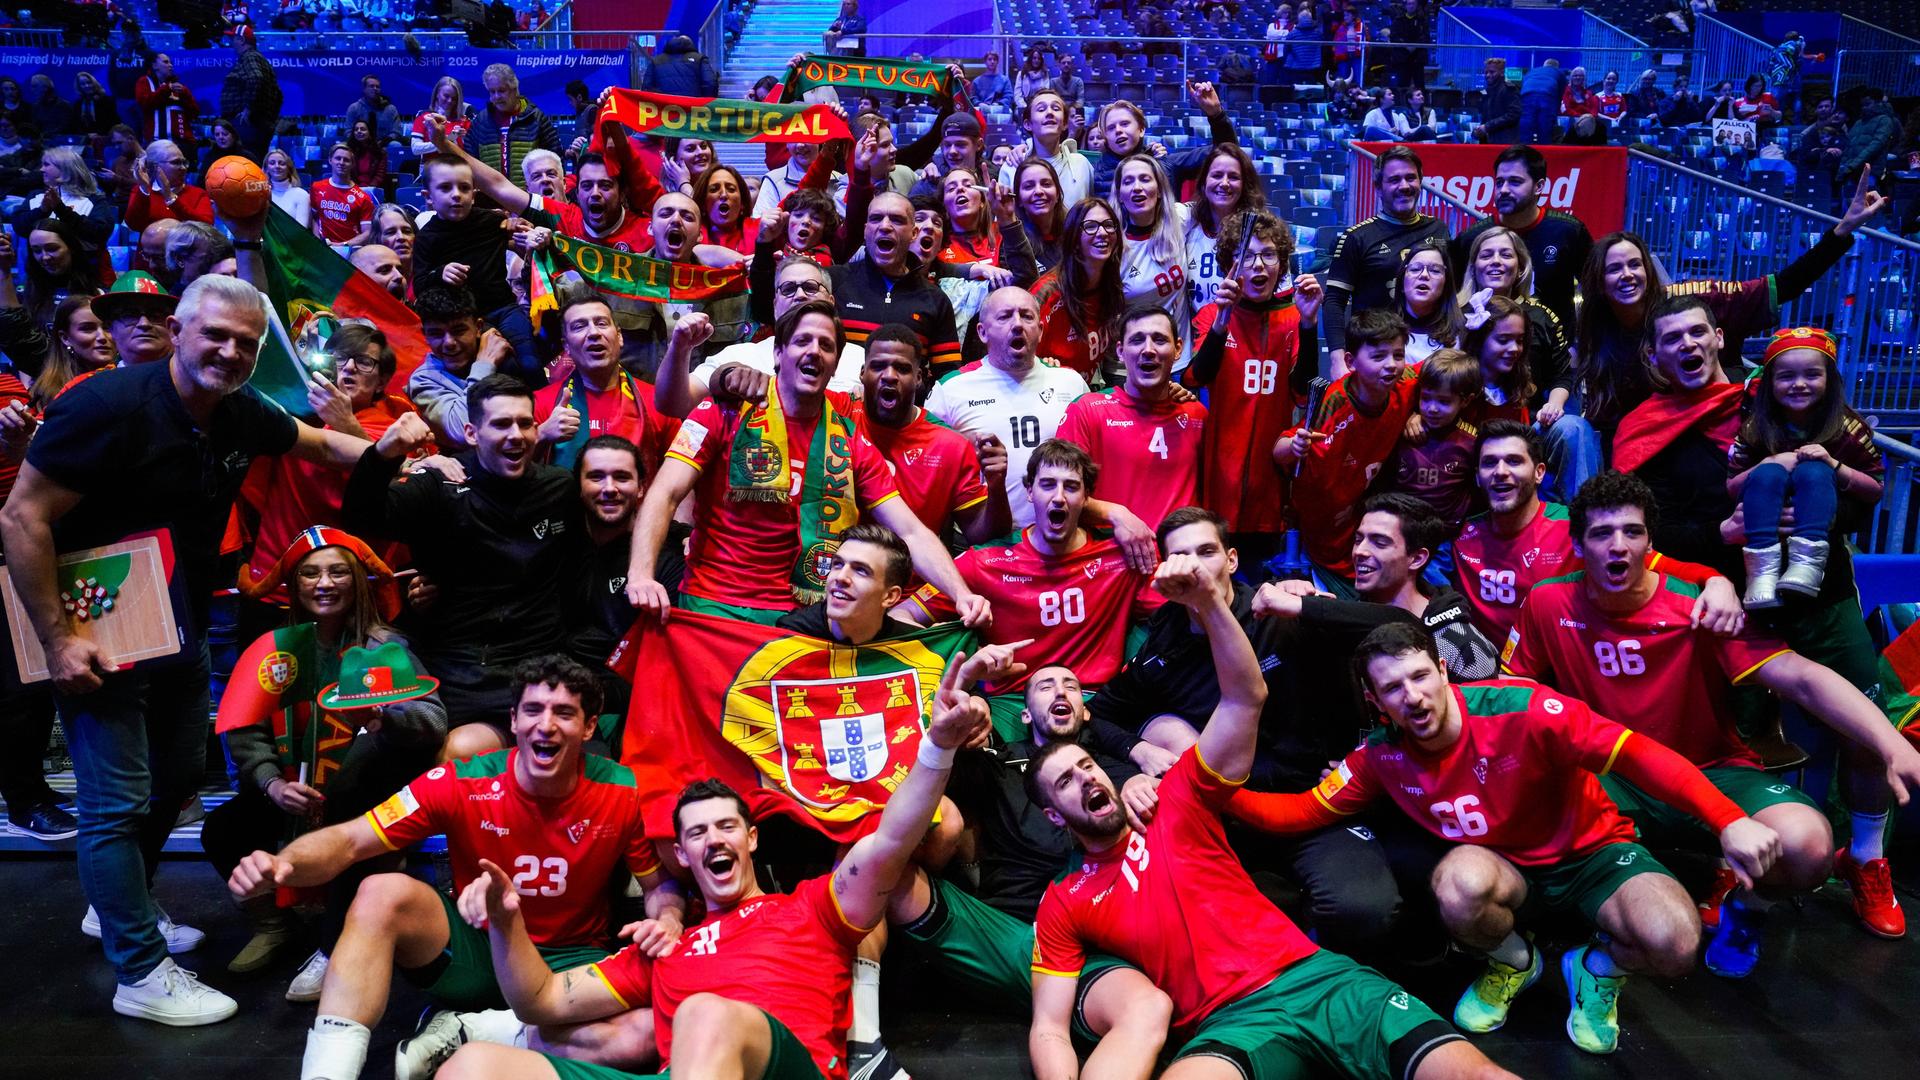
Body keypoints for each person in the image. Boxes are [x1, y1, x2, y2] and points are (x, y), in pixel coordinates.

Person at [0, 275, 414, 1024]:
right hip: (100, 631)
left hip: (178, 622)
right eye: (215, 336)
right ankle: (140, 970)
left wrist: (391, 453)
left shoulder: (235, 410)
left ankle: (116, 901)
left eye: (245, 344)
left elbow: (318, 441)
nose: (229, 351)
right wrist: (59, 639)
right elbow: (21, 517)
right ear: (179, 330)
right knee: (115, 802)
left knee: (184, 771)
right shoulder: (104, 406)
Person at [1025, 555, 1512, 1080]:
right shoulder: (1065, 898)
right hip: (1228, 1023)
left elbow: (1245, 696)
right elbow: (1048, 1027)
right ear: (1055, 814)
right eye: (1067, 781)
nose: (1087, 779)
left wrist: (1211, 601)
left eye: (1087, 766)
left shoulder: (1178, 798)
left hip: (1318, 981)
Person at [428, 648, 991, 1080]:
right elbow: (542, 1000)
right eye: (696, 832)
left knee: (706, 1013)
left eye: (725, 826)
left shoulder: (811, 908)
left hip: (783, 1067)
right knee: (473, 1066)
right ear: (683, 855)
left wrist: (936, 746)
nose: (712, 839)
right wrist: (508, 923)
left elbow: (891, 839)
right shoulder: (664, 947)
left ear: (750, 839)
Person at [1233, 621, 1782, 1055]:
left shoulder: (1524, 709)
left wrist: (1728, 818)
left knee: (1676, 944)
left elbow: (1639, 754)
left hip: (1594, 854)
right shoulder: (1380, 756)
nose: (1413, 698)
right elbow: (1301, 813)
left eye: (1421, 677)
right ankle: (1514, 961)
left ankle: (1595, 971)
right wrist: (1208, 788)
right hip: (1505, 873)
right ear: (1376, 701)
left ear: (1445, 670)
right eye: (1393, 689)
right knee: (1456, 882)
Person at [1503, 471, 1920, 976]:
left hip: (1710, 769)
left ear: (1650, 542)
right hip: (1612, 774)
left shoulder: (1701, 607)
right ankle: (1590, 942)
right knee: (1527, 819)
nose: (1618, 547)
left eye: (1632, 532)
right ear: (1576, 543)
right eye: (1601, 534)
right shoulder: (1548, 602)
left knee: (1807, 844)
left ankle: (1746, 913)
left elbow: (1803, 679)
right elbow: (1513, 697)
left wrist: (1891, 745)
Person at [226, 655, 688, 1080]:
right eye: (532, 711)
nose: (545, 726)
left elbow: (658, 885)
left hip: (570, 967)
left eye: (563, 714)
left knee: (645, 1036)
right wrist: (284, 863)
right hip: (478, 953)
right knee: (380, 890)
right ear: (514, 720)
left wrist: (667, 917)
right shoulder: (460, 779)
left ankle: (478, 1032)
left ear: (588, 728)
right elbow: (349, 840)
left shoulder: (624, 790)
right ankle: (327, 1074)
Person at [626, 300, 987, 627]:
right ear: (779, 354)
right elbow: (666, 492)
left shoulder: (851, 442)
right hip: (714, 608)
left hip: (804, 621)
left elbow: (910, 531)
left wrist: (962, 594)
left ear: (835, 365)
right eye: (802, 341)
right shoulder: (724, 410)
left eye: (826, 346)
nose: (814, 351)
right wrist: (642, 574)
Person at [208, 530, 446, 978]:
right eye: (311, 574)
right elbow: (244, 727)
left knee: (350, 815)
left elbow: (433, 721)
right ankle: (276, 924)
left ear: (356, 581)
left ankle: (333, 947)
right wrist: (272, 783)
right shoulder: (275, 649)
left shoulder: (384, 648)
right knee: (223, 829)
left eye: (338, 572)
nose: (325, 583)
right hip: (292, 790)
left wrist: (384, 716)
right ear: (294, 585)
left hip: (357, 795)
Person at [344, 374, 582, 749]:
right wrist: (384, 452)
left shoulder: (559, 487)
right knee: (440, 758)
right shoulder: (440, 484)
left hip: (540, 665)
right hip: (461, 669)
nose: (516, 435)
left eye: (525, 423)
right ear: (472, 433)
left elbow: (585, 562)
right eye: (501, 424)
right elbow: (362, 518)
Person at [1576, 172, 1885, 438]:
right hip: (1655, 447)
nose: (1627, 275)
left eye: (1635, 264)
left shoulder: (1697, 301)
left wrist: (1842, 232)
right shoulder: (1597, 329)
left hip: (1728, 429)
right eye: (1614, 269)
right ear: (1598, 281)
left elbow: (1786, 283)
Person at [905, 439, 1152, 740]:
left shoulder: (1122, 556)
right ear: (1029, 491)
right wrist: (963, 652)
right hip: (1011, 703)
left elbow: (1175, 618)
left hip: (1098, 701)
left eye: (1071, 487)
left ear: (1087, 498)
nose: (1058, 497)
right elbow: (903, 617)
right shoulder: (984, 562)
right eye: (1047, 485)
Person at [1187, 210, 1322, 572]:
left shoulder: (1293, 317)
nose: (1258, 266)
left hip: (1268, 482)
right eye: (1247, 256)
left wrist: (1309, 325)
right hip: (1217, 476)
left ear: (1281, 263)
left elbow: (1303, 390)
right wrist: (1221, 319)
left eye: (1269, 255)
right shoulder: (1211, 316)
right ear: (1231, 265)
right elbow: (1196, 376)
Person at [1728, 327, 1883, 607]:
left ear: (1830, 380)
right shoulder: (1754, 428)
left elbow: (1875, 489)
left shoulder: (1849, 428)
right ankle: (1761, 572)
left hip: (1828, 561)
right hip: (1760, 542)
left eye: (1812, 374)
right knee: (1769, 473)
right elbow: (1731, 487)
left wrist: (1834, 465)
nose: (1799, 384)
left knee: (1814, 470)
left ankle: (1807, 565)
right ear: (1770, 382)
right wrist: (1769, 462)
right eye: (1786, 376)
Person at [926, 286, 1095, 526]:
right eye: (1005, 316)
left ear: (1040, 330)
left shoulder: (1071, 382)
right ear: (982, 332)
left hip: (1061, 533)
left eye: (1027, 316)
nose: (1017, 324)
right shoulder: (951, 389)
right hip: (981, 536)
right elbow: (928, 468)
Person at [1278, 309, 1421, 587]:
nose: (1391, 365)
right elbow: (1280, 448)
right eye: (1378, 356)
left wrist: (1422, 412)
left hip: (1363, 511)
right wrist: (1294, 446)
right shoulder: (1334, 404)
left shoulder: (1406, 383)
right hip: (1321, 519)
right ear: (1351, 361)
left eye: (1398, 355)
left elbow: (1443, 369)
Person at [1057, 303, 1208, 533]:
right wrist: (1116, 515)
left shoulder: (1196, 414)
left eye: (1159, 340)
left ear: (1178, 349)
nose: (1148, 349)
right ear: (1120, 351)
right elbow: (1060, 493)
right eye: (1137, 340)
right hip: (1111, 556)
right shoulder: (1087, 410)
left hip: (1181, 559)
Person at [855, 324, 1011, 542]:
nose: (889, 376)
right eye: (878, 366)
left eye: (902, 368)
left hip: (915, 574)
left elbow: (981, 533)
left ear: (919, 377)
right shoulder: (839, 415)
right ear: (862, 373)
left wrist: (997, 486)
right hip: (839, 571)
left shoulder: (950, 445)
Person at [411, 153, 541, 382]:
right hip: (471, 321)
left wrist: (521, 227)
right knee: (506, 367)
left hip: (506, 308)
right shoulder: (426, 238)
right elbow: (420, 286)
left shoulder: (491, 222)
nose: (456, 195)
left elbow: (519, 228)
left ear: (474, 194)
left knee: (531, 364)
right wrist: (440, 274)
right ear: (428, 197)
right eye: (445, 188)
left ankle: (543, 413)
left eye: (464, 188)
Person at [1323, 146, 1448, 376]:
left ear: (1421, 182)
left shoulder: (1439, 230)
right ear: (1378, 188)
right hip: (1375, 356)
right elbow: (1334, 302)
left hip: (1427, 356)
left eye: (1411, 178)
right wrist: (1337, 360)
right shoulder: (1356, 238)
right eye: (1394, 180)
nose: (1404, 186)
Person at [530, 291, 680, 471]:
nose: (593, 332)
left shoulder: (659, 403)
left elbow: (681, 482)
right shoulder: (540, 404)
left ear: (620, 336)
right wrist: (542, 435)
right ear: (567, 346)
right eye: (579, 326)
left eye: (601, 323)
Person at [1382, 349, 1483, 527]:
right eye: (1426, 398)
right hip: (1401, 528)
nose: (1432, 408)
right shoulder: (1403, 431)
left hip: (1446, 533)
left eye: (1444, 401)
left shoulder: (1472, 442)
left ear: (1466, 401)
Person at [1028, 198, 1124, 381]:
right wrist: (1040, 366)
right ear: (1074, 239)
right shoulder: (1047, 291)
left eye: (1108, 225)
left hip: (1084, 393)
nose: (1102, 232)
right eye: (1090, 226)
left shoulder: (1111, 285)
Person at [408, 287, 511, 450]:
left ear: (478, 327)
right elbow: (461, 431)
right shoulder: (423, 380)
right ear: (425, 335)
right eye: (436, 334)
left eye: (458, 331)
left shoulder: (504, 350)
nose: (449, 342)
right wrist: (484, 365)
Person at [1182, 143, 1266, 313]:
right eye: (1217, 175)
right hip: (1199, 336)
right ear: (1204, 182)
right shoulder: (1188, 228)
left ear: (1244, 185)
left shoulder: (1261, 234)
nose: (1225, 183)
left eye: (1233, 177)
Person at [468, 64, 563, 188]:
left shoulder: (536, 118)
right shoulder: (480, 121)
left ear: (514, 89)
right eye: (492, 91)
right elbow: (469, 162)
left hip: (529, 199)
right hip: (490, 200)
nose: (496, 97)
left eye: (501, 90)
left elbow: (556, 159)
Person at [997, 89, 1093, 209]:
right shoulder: (1012, 166)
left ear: (1064, 124)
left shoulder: (1082, 164)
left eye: (1056, 108)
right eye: (1041, 109)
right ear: (1028, 124)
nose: (1049, 113)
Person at [1394, 239, 1462, 362]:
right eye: (1415, 269)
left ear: (1446, 284)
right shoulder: (1381, 330)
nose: (1424, 275)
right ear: (1402, 282)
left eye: (1435, 270)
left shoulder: (1463, 332)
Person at [126, 138, 215, 231]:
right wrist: (144, 188)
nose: (183, 168)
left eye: (184, 162)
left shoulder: (198, 194)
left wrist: (170, 198)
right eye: (176, 162)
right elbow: (134, 225)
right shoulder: (141, 191)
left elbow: (207, 227)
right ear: (155, 166)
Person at [221, 25, 282, 158]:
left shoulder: (249, 57)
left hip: (248, 124)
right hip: (257, 124)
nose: (231, 43)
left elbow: (256, 78)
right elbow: (278, 94)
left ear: (241, 40)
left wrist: (248, 109)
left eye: (233, 38)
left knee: (246, 160)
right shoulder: (260, 60)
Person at [313, 144, 377, 248]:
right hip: (323, 248)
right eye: (338, 158)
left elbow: (367, 233)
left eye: (346, 160)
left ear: (352, 164)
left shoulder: (363, 197)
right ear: (330, 160)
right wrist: (317, 241)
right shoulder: (317, 187)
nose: (341, 163)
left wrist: (342, 245)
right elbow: (314, 218)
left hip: (349, 249)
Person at [135, 52, 198, 149]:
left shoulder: (179, 87)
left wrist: (186, 94)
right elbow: (145, 103)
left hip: (182, 143)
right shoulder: (144, 82)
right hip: (155, 143)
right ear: (154, 65)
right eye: (166, 62)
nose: (171, 65)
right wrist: (167, 89)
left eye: (170, 62)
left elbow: (194, 113)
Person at [412, 77, 474, 157]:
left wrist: (463, 139)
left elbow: (470, 152)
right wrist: (445, 141)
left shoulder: (464, 120)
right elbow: (415, 149)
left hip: (457, 166)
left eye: (454, 98)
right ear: (437, 94)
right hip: (430, 167)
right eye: (446, 96)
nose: (449, 101)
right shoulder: (424, 117)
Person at [1472, 58, 1520, 144]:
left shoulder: (1509, 89)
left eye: (1492, 72)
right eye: (1486, 72)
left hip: (1505, 142)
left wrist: (1487, 127)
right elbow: (1486, 118)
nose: (1488, 75)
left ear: (1502, 73)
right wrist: (1479, 131)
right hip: (1488, 141)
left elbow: (1514, 115)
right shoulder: (1485, 92)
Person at [346, 74, 402, 146]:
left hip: (384, 143)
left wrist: (383, 142)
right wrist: (360, 141)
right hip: (360, 143)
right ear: (364, 89)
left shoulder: (390, 109)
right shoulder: (354, 108)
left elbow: (396, 132)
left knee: (395, 145)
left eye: (377, 87)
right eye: (371, 86)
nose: (375, 89)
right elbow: (348, 131)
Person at [264, 147, 311, 229]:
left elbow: (301, 230)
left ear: (289, 168)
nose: (277, 166)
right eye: (272, 163)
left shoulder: (301, 195)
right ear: (267, 168)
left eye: (281, 163)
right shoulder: (261, 193)